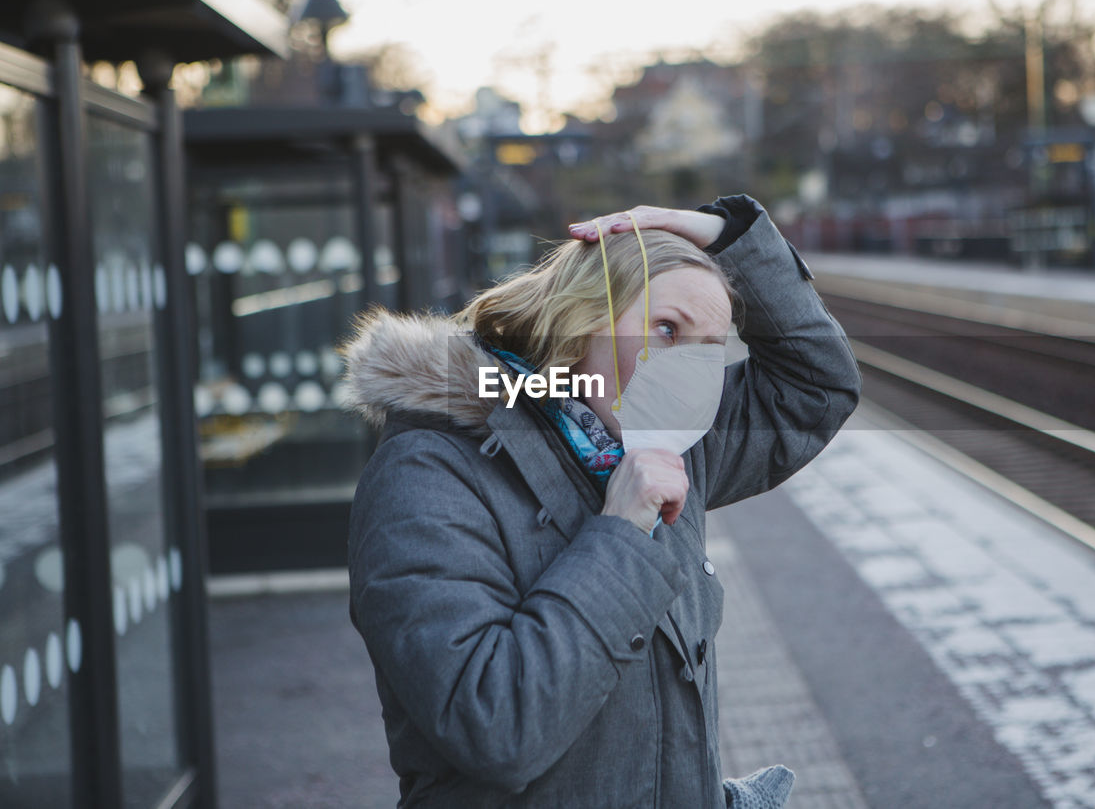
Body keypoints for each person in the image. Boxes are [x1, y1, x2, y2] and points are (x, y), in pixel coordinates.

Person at [341, 194, 861, 807]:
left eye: (709, 347)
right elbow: (495, 728)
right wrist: (620, 532)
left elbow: (816, 385)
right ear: (582, 318)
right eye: (667, 329)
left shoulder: (663, 441)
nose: (689, 369)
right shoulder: (428, 472)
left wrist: (726, 236)